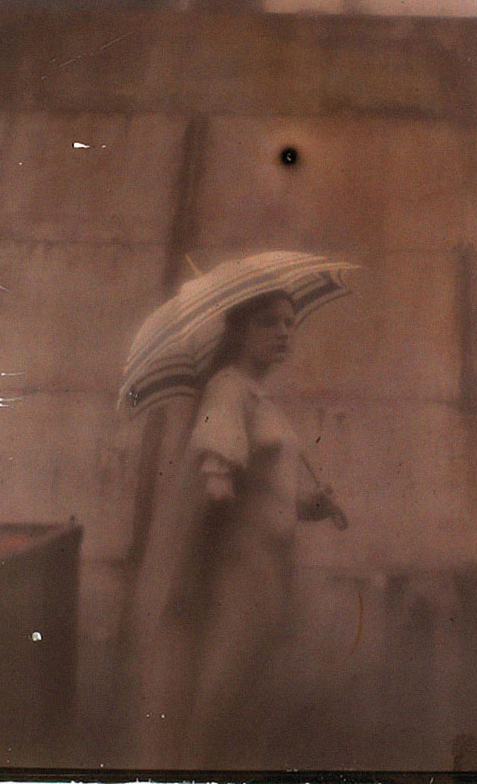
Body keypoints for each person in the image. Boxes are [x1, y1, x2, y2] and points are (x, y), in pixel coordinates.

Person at [125, 290, 345, 769]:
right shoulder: (227, 388)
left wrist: (312, 505)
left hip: (270, 564)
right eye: (269, 323)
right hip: (238, 564)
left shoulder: (260, 397)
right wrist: (219, 482)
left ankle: (222, 766)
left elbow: (267, 492)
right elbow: (217, 464)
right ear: (241, 332)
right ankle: (194, 769)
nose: (284, 332)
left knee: (250, 682)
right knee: (223, 682)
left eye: (289, 323)